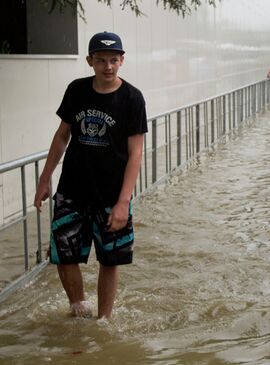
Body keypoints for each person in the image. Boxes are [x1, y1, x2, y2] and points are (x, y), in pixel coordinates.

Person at [33, 31, 147, 319]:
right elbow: (62, 136)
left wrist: (123, 202)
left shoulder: (133, 98)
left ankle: (104, 320)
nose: (107, 66)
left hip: (111, 193)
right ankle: (78, 307)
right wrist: (45, 179)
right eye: (100, 60)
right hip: (72, 189)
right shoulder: (77, 90)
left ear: (122, 61)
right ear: (89, 61)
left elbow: (136, 153)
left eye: (113, 60)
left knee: (110, 260)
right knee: (64, 254)